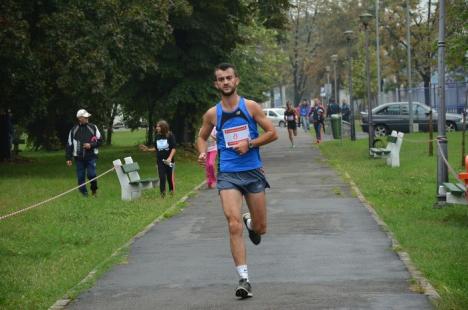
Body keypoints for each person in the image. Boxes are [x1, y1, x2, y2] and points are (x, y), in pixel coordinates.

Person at [197, 63, 278, 299]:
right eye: (221, 79)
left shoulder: (250, 107)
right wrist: (202, 152)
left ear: (236, 81)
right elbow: (201, 137)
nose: (225, 82)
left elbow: (272, 133)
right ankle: (244, 279)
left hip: (253, 172)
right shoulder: (213, 113)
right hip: (228, 174)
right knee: (232, 224)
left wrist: (250, 144)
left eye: (229, 78)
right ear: (216, 84)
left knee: (261, 229)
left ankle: (251, 222)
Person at [66, 109, 102, 197]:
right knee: (81, 177)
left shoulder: (93, 127)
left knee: (92, 175)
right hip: (78, 158)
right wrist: (68, 158)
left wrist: (91, 145)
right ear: (79, 118)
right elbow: (69, 144)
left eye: (87, 116)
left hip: (91, 156)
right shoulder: (73, 130)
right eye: (85, 117)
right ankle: (84, 194)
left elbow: (100, 141)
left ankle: (94, 190)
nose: (87, 118)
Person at [139, 120, 176, 198]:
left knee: (170, 178)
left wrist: (169, 158)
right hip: (160, 161)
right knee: (162, 177)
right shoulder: (157, 136)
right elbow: (156, 148)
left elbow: (173, 148)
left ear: (163, 127)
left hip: (169, 161)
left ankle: (172, 193)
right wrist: (148, 149)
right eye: (157, 126)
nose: (157, 128)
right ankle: (162, 195)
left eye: (158, 126)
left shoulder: (170, 135)